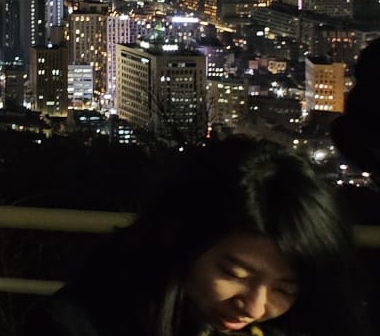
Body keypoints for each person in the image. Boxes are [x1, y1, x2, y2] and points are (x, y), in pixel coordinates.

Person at [28, 136, 366, 336]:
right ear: (179, 236)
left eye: (284, 289)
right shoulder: (79, 324)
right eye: (234, 274)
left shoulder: (302, 324)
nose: (253, 306)